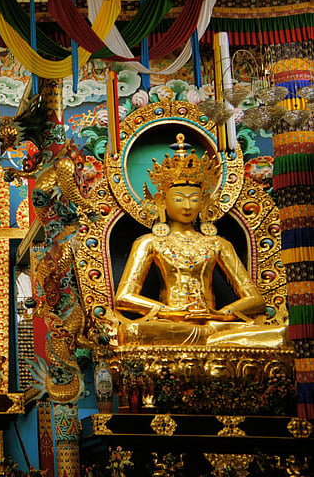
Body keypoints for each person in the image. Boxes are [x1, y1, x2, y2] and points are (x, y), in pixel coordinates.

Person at [114, 134, 286, 348]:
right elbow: (124, 297)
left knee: (279, 335)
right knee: (132, 331)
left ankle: (215, 338)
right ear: (161, 201)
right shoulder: (149, 243)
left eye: (194, 199)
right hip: (172, 326)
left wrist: (221, 314)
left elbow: (256, 299)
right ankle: (212, 340)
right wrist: (170, 312)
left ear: (204, 202)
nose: (187, 206)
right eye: (178, 199)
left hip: (215, 324)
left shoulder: (218, 244)